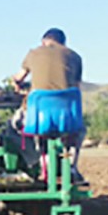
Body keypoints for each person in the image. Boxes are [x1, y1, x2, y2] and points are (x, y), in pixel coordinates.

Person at [9, 28, 86, 182]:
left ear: (44, 41)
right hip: (66, 117)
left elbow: (19, 78)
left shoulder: (33, 53)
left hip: (38, 116)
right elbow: (76, 88)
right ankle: (72, 166)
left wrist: (16, 84)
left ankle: (35, 161)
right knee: (81, 130)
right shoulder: (75, 57)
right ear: (63, 43)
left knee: (11, 128)